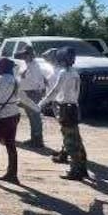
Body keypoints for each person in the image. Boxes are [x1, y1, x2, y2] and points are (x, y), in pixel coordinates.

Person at [0, 57, 36, 184]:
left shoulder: (0, 79)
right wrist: (37, 108)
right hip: (14, 114)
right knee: (10, 144)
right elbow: (23, 97)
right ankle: (12, 174)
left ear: (1, 67)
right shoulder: (15, 79)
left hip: (0, 115)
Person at [39, 47, 89, 180]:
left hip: (65, 108)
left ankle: (75, 171)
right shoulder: (75, 72)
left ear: (61, 59)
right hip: (73, 107)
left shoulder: (63, 73)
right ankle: (82, 168)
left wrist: (41, 103)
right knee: (76, 139)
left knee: (70, 141)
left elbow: (55, 91)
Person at [15, 46, 47, 148]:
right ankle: (34, 138)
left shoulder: (35, 65)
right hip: (25, 92)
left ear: (31, 55)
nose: (24, 56)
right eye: (24, 54)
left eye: (26, 54)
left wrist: (39, 92)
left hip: (33, 93)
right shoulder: (25, 64)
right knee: (31, 117)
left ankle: (38, 140)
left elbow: (39, 80)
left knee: (35, 117)